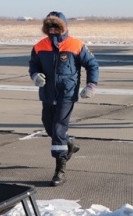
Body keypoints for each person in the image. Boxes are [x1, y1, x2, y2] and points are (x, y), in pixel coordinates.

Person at [29, 11, 99, 186]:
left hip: (67, 94)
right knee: (48, 125)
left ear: (63, 27)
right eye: (50, 27)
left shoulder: (76, 45)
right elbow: (33, 65)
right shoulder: (39, 46)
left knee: (59, 128)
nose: (53, 30)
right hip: (47, 94)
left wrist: (91, 85)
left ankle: (60, 169)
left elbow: (92, 64)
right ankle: (68, 143)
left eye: (56, 27)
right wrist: (35, 76)